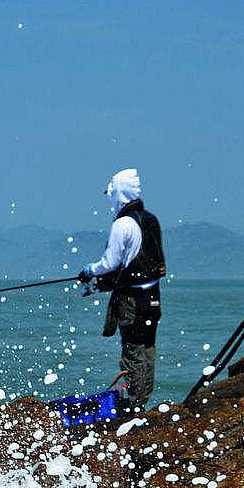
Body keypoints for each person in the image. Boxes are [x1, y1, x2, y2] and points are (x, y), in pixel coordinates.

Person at [78, 168, 165, 413]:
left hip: (133, 302)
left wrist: (90, 271)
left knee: (132, 350)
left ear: (118, 194)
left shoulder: (123, 224)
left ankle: (132, 405)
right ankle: (143, 400)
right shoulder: (150, 219)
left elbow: (111, 262)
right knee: (147, 348)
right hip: (152, 298)